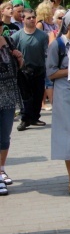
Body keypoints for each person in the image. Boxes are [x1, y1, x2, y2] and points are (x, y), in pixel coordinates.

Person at [46, 9, 70, 195]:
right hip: (64, 92)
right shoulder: (58, 45)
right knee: (69, 135)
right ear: (67, 25)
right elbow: (51, 72)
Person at [11, 7, 49, 131]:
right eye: (29, 18)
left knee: (38, 95)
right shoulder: (17, 36)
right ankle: (25, 119)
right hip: (23, 70)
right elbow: (13, 53)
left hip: (39, 69)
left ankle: (34, 117)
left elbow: (46, 52)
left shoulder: (43, 35)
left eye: (33, 17)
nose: (32, 19)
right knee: (25, 96)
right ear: (23, 20)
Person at [0, 33, 24, 195]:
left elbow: (19, 67)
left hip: (8, 96)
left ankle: (1, 170)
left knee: (4, 136)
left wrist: (19, 58)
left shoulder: (8, 41)